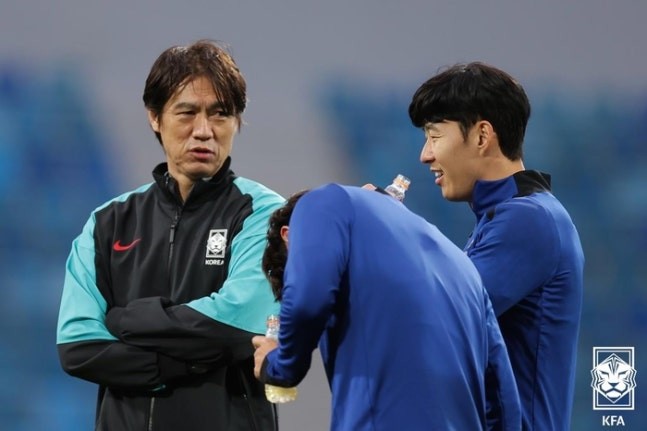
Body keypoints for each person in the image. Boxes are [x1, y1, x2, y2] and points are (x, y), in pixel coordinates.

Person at [56, 40, 285, 430]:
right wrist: (181, 363)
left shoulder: (265, 213)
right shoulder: (107, 222)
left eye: (220, 114)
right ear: (154, 117)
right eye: (187, 113)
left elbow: (238, 326)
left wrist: (127, 320)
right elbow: (77, 345)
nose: (204, 131)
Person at [252, 184, 522, 430]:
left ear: (289, 236)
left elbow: (307, 302)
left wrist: (278, 364)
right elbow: (502, 393)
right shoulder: (461, 262)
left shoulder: (319, 204)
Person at [408, 62, 584, 430]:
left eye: (434, 136)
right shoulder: (508, 216)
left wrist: (376, 231)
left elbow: (434, 315)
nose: (425, 155)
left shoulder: (528, 220)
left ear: (482, 136)